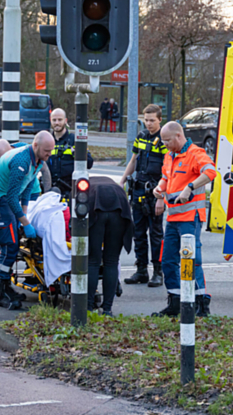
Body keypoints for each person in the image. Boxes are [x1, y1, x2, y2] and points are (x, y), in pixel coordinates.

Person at [152, 122, 216, 317]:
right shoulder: (169, 156)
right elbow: (166, 176)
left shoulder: (195, 153)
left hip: (190, 217)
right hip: (173, 216)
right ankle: (175, 301)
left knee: (191, 260)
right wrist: (159, 189)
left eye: (168, 141)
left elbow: (211, 172)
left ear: (179, 136)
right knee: (168, 261)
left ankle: (201, 303)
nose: (165, 145)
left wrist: (190, 187)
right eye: (163, 141)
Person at [0, 131, 55, 309]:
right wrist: (25, 223)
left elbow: (26, 188)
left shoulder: (38, 161)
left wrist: (25, 214)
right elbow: (11, 197)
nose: (49, 154)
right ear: (36, 146)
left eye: (51, 151)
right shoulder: (22, 161)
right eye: (47, 151)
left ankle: (4, 286)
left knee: (12, 244)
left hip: (6, 200)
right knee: (10, 246)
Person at [119, 104, 167, 287]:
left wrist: (161, 197)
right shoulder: (140, 137)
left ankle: (158, 271)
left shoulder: (164, 140)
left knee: (156, 234)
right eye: (146, 120)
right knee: (138, 233)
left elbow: (168, 171)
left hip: (155, 192)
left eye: (152, 120)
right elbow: (133, 160)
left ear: (160, 120)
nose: (148, 124)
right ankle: (141, 271)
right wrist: (122, 180)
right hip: (138, 190)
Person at [87, 176, 134, 317]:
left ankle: (89, 307)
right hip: (119, 210)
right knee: (111, 261)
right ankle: (107, 309)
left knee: (93, 261)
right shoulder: (114, 186)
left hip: (95, 209)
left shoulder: (83, 186)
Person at [48, 108, 93, 196]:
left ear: (65, 121)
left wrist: (77, 154)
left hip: (71, 190)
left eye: (60, 120)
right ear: (50, 121)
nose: (57, 123)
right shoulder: (47, 140)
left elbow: (89, 163)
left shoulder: (75, 140)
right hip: (50, 189)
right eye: (54, 120)